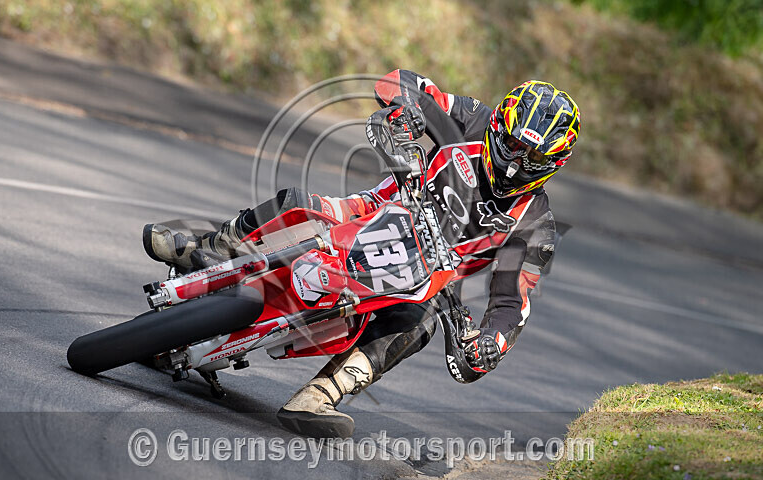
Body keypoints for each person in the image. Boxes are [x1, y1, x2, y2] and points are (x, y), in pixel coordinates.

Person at [143, 70, 580, 438]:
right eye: (511, 146)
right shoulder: (471, 118)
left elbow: (511, 303)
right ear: (498, 126)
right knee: (296, 200)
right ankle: (206, 251)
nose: (513, 165)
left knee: (420, 322)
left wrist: (490, 343)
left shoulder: (536, 227)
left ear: (554, 165)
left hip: (425, 278)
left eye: (532, 159)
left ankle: (319, 396)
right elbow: (401, 82)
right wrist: (404, 115)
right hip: (377, 210)